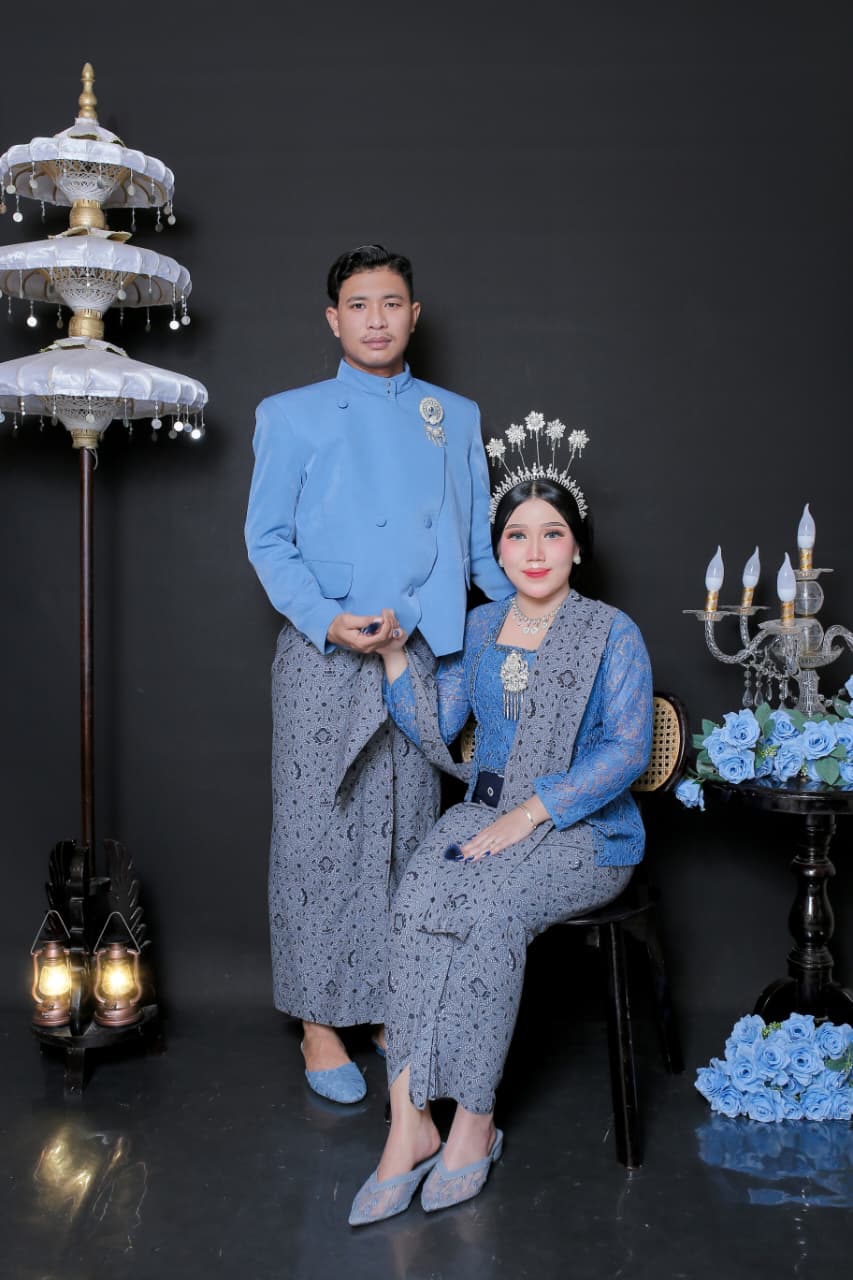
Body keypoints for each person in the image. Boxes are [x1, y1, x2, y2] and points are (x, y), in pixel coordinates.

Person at [348, 445, 653, 1223]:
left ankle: (474, 1123)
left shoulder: (612, 632)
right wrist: (395, 659)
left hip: (584, 831)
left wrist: (532, 811)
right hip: (483, 816)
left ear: (577, 546)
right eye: (517, 535)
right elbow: (437, 727)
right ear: (499, 550)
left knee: (489, 915)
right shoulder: (481, 627)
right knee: (415, 904)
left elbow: (627, 749)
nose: (534, 551)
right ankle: (410, 1123)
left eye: (552, 533)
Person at [244, 245, 510, 1103]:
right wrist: (326, 617)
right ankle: (320, 1023)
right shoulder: (289, 414)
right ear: (334, 319)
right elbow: (267, 539)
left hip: (424, 653)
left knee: (407, 833)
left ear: (413, 314)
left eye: (390, 303)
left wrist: (538, 623)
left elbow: (478, 548)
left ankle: (390, 1002)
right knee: (318, 837)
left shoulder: (454, 415)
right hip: (325, 650)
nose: (375, 319)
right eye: (357, 305)